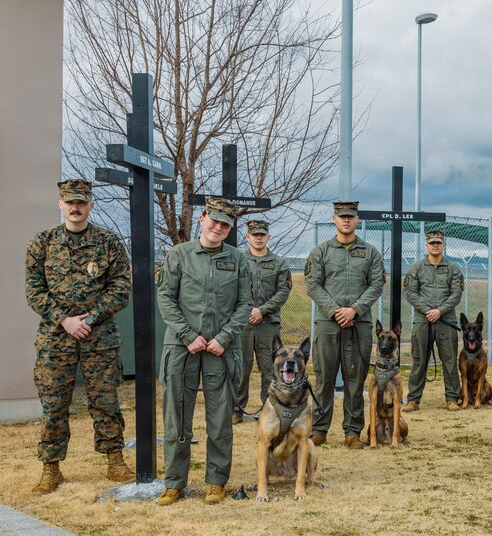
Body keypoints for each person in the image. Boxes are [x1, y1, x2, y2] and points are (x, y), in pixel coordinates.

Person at [25, 178, 135, 493]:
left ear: (90, 204)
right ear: (60, 204)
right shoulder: (43, 243)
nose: (75, 207)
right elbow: (34, 291)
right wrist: (64, 320)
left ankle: (115, 462)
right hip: (55, 340)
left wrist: (91, 316)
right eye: (70, 202)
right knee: (54, 404)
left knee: (106, 402)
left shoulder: (108, 242)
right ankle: (51, 469)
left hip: (99, 339)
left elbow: (120, 288)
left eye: (81, 202)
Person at [156, 197, 252, 505]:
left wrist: (224, 337)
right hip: (182, 347)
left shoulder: (238, 259)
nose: (218, 227)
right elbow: (166, 299)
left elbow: (244, 304)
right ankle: (174, 482)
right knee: (176, 415)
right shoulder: (179, 255)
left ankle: (216, 480)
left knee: (221, 417)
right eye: (214, 221)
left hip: (221, 350)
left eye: (225, 224)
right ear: (202, 218)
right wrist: (187, 335)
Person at [305, 201, 385, 447]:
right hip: (328, 323)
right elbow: (313, 285)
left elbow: (376, 285)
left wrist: (355, 310)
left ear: (357, 219)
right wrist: (334, 310)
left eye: (350, 216)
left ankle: (352, 431)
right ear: (334, 219)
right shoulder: (321, 251)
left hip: (358, 324)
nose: (346, 220)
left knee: (355, 378)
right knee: (324, 377)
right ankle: (319, 430)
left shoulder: (370, 252)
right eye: (342, 217)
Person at [234, 219, 292, 423]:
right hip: (242, 323)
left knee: (270, 369)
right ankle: (236, 410)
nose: (258, 238)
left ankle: (269, 409)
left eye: (262, 235)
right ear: (247, 237)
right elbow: (230, 289)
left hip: (269, 324)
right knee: (241, 368)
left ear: (268, 237)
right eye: (254, 235)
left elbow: (283, 291)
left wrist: (262, 310)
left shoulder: (278, 263)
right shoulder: (238, 260)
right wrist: (247, 310)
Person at [403, 230, 464, 412]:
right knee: (419, 360)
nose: (435, 246)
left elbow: (456, 294)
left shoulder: (453, 269)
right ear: (426, 246)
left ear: (444, 245)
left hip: (446, 321)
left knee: (450, 360)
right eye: (432, 243)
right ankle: (413, 400)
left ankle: (452, 398)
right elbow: (410, 292)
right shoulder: (416, 268)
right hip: (423, 321)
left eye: (438, 243)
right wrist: (427, 310)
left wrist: (440, 311)